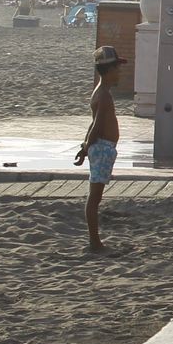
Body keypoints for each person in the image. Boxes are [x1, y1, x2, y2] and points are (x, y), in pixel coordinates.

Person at [74, 46, 124, 250]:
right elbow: (97, 125)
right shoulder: (104, 95)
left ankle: (94, 240)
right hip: (102, 147)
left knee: (95, 196)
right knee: (94, 197)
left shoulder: (101, 92)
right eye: (117, 69)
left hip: (102, 146)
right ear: (109, 71)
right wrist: (87, 146)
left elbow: (93, 123)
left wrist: (85, 147)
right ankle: (94, 241)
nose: (120, 73)